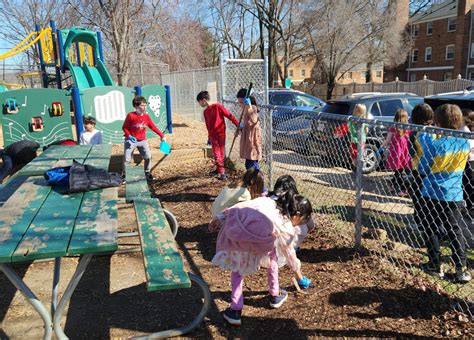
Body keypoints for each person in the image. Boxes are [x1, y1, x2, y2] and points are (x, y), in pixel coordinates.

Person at [211, 192, 313, 326]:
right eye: (303, 220)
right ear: (297, 214)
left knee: (237, 272)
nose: (301, 224)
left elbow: (241, 206)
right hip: (258, 245)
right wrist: (299, 275)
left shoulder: (267, 201)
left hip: (237, 237)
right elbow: (289, 254)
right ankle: (275, 294)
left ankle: (235, 311)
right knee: (273, 258)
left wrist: (219, 218)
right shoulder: (285, 226)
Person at [418, 104, 471, 283]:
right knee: (455, 229)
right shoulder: (464, 142)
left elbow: (423, 167)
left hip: (432, 192)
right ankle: (461, 268)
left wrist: (425, 139)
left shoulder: (436, 145)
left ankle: (435, 264)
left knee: (431, 227)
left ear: (438, 122)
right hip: (454, 193)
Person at [196, 91, 239, 180]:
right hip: (215, 134)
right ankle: (219, 169)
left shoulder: (217, 107)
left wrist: (237, 124)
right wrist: (208, 136)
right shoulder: (206, 111)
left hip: (219, 133)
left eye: (199, 102)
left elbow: (228, 115)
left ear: (204, 100)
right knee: (220, 152)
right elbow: (208, 125)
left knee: (218, 152)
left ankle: (222, 172)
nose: (199, 104)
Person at [122, 96, 166, 181]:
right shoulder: (131, 115)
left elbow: (153, 127)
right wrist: (129, 136)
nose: (144, 107)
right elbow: (124, 127)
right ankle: (124, 175)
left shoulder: (146, 116)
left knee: (148, 157)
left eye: (145, 105)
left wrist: (162, 135)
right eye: (142, 105)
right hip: (131, 140)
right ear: (136, 106)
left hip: (142, 140)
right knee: (127, 159)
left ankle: (147, 173)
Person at [269, 175, 315, 251]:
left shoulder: (269, 196)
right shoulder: (294, 201)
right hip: (277, 237)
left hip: (263, 234)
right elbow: (311, 225)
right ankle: (291, 247)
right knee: (303, 228)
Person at [408, 103, 434, 228]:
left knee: (418, 196)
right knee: (430, 198)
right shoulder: (436, 130)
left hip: (419, 169)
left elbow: (411, 152)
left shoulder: (415, 133)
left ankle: (418, 222)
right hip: (435, 168)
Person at [380, 109, 411, 197]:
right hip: (399, 153)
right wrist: (381, 146)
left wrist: (382, 146)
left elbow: (387, 140)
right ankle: (399, 190)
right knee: (399, 171)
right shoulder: (403, 128)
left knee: (399, 171)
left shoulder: (406, 128)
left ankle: (392, 184)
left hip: (400, 153)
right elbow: (388, 140)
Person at [236, 89, 262, 171]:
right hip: (248, 139)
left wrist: (249, 106)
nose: (240, 105)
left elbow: (254, 119)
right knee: (248, 163)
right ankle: (251, 181)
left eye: (241, 102)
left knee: (252, 163)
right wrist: (242, 127)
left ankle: (258, 182)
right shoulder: (245, 109)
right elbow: (249, 123)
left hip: (253, 140)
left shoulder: (252, 107)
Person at [460, 109, 474, 212]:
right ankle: (468, 205)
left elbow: (468, 147)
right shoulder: (464, 129)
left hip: (469, 161)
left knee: (468, 184)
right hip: (467, 160)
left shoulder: (464, 130)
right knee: (467, 183)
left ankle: (470, 206)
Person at [347, 104, 368, 169]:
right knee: (357, 154)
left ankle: (357, 167)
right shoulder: (359, 120)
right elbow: (366, 130)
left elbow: (349, 127)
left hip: (357, 140)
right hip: (358, 140)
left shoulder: (354, 119)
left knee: (355, 153)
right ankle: (357, 167)